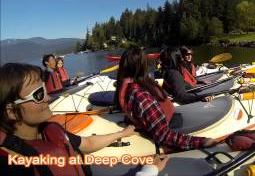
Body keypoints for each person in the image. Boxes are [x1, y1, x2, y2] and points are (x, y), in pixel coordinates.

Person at [0, 63, 168, 175]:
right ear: (11, 112)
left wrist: (121, 134)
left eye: (44, 89)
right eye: (38, 95)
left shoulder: (47, 131)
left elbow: (87, 143)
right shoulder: (15, 165)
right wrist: (148, 171)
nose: (48, 98)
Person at [114, 47, 217, 151]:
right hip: (169, 124)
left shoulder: (128, 86)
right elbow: (164, 135)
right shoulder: (140, 95)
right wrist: (200, 142)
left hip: (163, 118)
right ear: (142, 66)